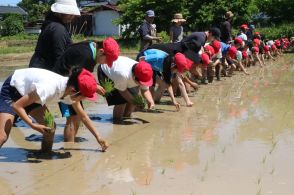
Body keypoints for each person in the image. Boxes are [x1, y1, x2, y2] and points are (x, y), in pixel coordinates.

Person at [0, 67, 108, 153]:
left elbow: (83, 116)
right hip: (14, 90)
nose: (85, 99)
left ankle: (45, 155)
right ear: (73, 90)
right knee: (3, 136)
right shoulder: (49, 88)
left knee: (50, 127)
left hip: (32, 95)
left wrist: (98, 137)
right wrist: (32, 125)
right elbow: (17, 106)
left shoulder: (70, 92)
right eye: (84, 96)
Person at [52, 37, 119, 142]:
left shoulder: (91, 48)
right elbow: (76, 75)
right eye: (107, 60)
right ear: (101, 52)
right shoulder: (86, 56)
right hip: (64, 86)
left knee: (77, 116)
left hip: (70, 83)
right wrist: (95, 86)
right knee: (72, 117)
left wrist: (94, 84)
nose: (105, 63)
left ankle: (71, 142)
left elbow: (82, 74)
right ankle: (69, 146)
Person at [97, 57, 155, 121]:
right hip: (106, 72)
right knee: (121, 101)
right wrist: (136, 103)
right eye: (141, 82)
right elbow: (123, 92)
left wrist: (151, 102)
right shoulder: (123, 74)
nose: (142, 84)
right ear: (134, 76)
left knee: (134, 99)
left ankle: (126, 117)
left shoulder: (144, 72)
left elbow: (145, 90)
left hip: (121, 73)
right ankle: (117, 121)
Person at [29, 0, 80, 70]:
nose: (72, 16)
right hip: (44, 72)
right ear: (59, 13)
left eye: (73, 14)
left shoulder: (51, 24)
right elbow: (59, 57)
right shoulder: (57, 29)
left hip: (38, 68)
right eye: (70, 13)